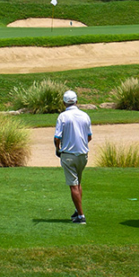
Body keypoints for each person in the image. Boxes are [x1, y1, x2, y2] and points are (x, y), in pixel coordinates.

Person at [54, 90, 92, 224]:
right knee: (78, 183)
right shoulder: (85, 115)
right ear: (76, 101)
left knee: (73, 185)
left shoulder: (63, 117)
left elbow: (57, 137)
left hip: (68, 155)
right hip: (83, 155)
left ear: (64, 102)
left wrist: (57, 149)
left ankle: (81, 216)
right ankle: (77, 210)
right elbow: (89, 136)